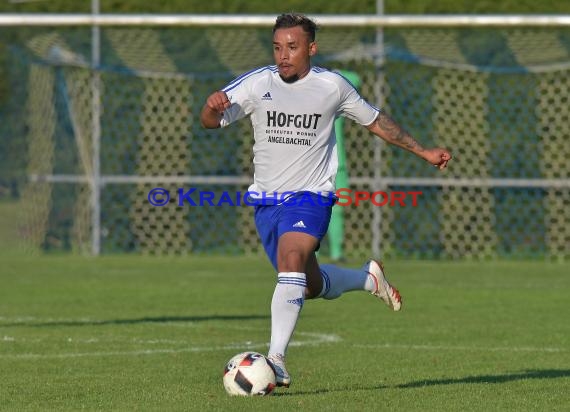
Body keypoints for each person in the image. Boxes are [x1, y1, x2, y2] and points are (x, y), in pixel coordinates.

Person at [200, 13, 452, 388]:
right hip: (268, 204)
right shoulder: (258, 83)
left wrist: (423, 152)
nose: (283, 55)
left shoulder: (332, 87)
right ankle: (368, 278)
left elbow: (377, 121)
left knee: (291, 258)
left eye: (292, 47)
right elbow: (210, 121)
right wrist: (212, 106)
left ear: (311, 48)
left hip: (311, 197)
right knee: (307, 284)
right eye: (277, 47)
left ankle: (277, 360)